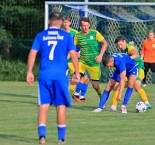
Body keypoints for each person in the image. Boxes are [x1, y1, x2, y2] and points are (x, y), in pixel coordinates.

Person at [26, 12, 80, 144]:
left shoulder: (40, 36)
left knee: (43, 106)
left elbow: (32, 53)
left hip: (45, 75)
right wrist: (77, 73)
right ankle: (61, 139)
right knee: (60, 106)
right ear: (61, 22)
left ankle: (42, 137)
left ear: (49, 22)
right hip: (60, 76)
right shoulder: (67, 36)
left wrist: (29, 72)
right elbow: (73, 55)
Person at [109, 36, 152, 111]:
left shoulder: (130, 48)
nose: (119, 46)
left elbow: (135, 55)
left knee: (136, 84)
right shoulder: (126, 48)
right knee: (117, 86)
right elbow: (129, 46)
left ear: (124, 41)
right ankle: (113, 106)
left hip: (139, 68)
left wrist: (126, 59)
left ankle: (147, 103)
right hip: (129, 70)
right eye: (118, 45)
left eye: (120, 44)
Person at [72, 16, 108, 102]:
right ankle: (75, 95)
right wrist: (75, 53)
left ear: (89, 25)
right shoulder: (77, 35)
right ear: (80, 26)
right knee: (75, 78)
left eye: (87, 25)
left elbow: (105, 43)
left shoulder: (95, 33)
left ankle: (101, 97)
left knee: (95, 86)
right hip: (82, 62)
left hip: (94, 63)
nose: (85, 27)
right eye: (83, 25)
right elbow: (72, 48)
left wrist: (100, 56)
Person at [62, 16, 90, 99]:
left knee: (77, 79)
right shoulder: (60, 33)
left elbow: (79, 45)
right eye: (64, 22)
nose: (65, 24)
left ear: (70, 23)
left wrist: (78, 53)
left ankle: (76, 95)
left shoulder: (75, 33)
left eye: (67, 22)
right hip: (63, 60)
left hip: (72, 60)